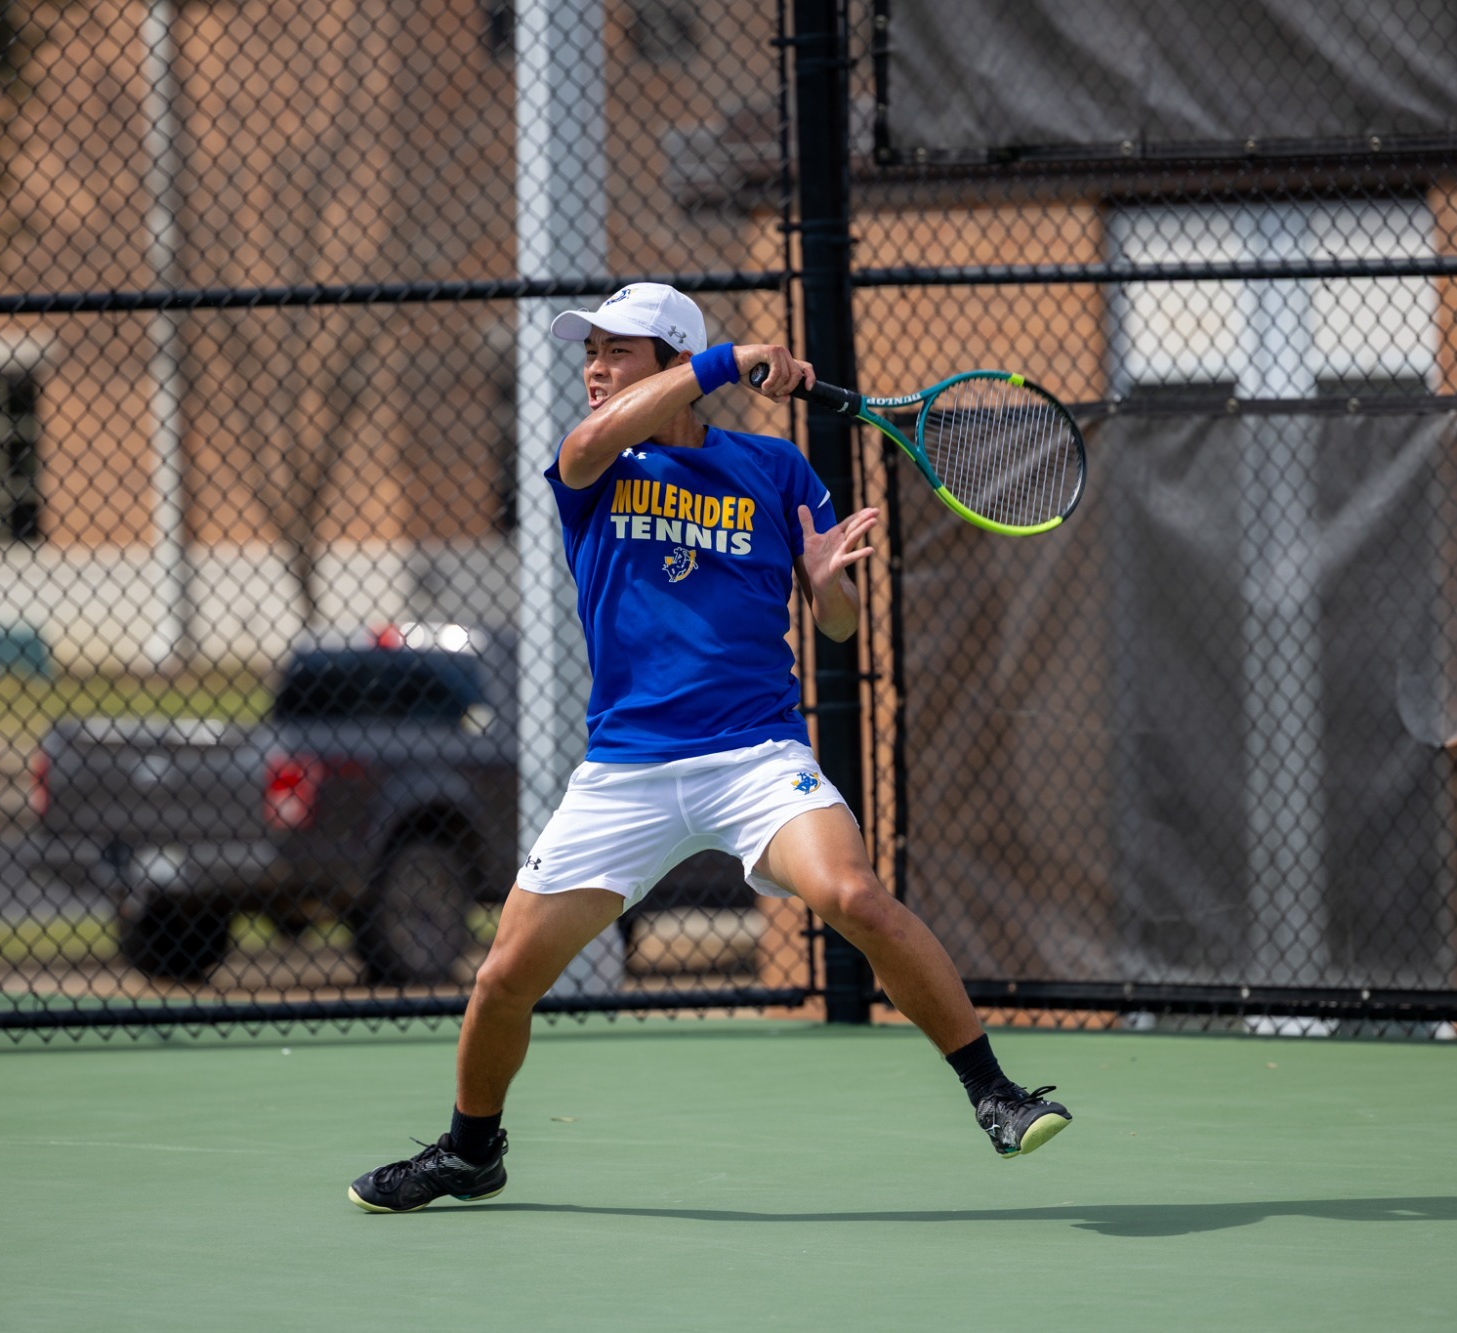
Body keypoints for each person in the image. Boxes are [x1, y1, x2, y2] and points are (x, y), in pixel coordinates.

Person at [347, 283, 1069, 1213]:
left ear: (667, 362)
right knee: (501, 979)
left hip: (756, 754)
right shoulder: (593, 461)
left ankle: (994, 1093)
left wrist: (826, 586)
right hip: (626, 769)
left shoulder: (773, 470)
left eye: (619, 353)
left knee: (853, 895)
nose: (595, 371)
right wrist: (730, 359)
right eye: (591, 352)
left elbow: (839, 630)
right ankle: (470, 1150)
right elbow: (588, 442)